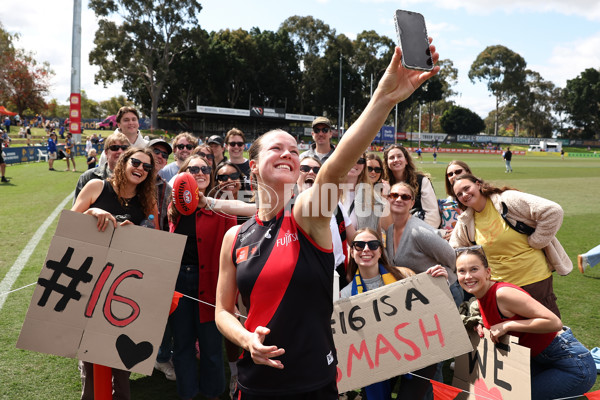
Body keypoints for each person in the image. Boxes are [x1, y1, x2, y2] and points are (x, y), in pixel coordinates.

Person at [215, 42, 440, 398]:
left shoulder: (306, 215)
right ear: (254, 165)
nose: (288, 153)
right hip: (254, 383)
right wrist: (247, 340)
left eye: (293, 149)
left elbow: (334, 167)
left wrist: (383, 99)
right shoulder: (236, 238)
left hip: (314, 383)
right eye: (277, 148)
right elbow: (223, 312)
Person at [72, 147, 157, 400]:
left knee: (123, 358)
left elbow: (159, 240)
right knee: (91, 353)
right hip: (91, 279)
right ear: (123, 162)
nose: (141, 168)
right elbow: (68, 224)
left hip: (128, 287)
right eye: (136, 162)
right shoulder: (97, 187)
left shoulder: (148, 199)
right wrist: (92, 211)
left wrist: (140, 233)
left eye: (147, 167)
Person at [456, 246, 596, 400]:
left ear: (488, 272)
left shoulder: (502, 293)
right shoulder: (480, 296)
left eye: (474, 269)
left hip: (573, 365)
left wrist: (507, 326)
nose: (468, 276)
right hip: (539, 361)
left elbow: (554, 322)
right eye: (462, 271)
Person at [340, 228, 447, 400]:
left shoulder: (404, 275)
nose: (366, 249)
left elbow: (430, 308)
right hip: (376, 364)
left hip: (416, 358)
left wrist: (440, 280)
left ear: (380, 251)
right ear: (352, 252)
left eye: (373, 245)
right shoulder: (345, 295)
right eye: (359, 245)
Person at [449, 173, 571, 317]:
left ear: (478, 184)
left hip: (534, 280)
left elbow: (553, 211)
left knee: (547, 329)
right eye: (459, 194)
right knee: (514, 334)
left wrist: (537, 241)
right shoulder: (467, 219)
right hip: (501, 288)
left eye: (466, 188)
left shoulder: (506, 199)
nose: (464, 194)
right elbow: (454, 249)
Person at [168, 154, 236, 400]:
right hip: (179, 282)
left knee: (211, 347)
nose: (200, 172)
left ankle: (212, 394)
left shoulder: (222, 208)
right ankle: (187, 393)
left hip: (211, 283)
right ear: (183, 174)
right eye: (193, 168)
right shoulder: (173, 208)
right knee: (183, 345)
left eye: (205, 168)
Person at [384, 182, 462, 306]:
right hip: (422, 296)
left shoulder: (418, 231)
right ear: (388, 199)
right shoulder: (389, 231)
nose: (399, 199)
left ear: (412, 203)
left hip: (445, 291)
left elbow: (451, 257)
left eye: (405, 197)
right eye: (394, 195)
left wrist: (442, 275)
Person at [383, 144, 441, 229]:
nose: (396, 160)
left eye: (399, 156)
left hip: (419, 231)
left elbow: (432, 214)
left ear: (406, 160)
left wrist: (422, 235)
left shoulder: (421, 181)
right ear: (387, 163)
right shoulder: (384, 183)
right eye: (391, 158)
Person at [73, 132, 130, 202]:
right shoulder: (88, 177)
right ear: (106, 153)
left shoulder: (137, 177)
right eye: (115, 148)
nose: (120, 151)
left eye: (124, 148)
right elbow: (74, 212)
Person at [224, 128, 251, 197]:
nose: (236, 147)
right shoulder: (222, 168)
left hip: (250, 206)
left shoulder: (253, 167)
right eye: (232, 144)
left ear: (244, 146)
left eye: (240, 144)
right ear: (226, 146)